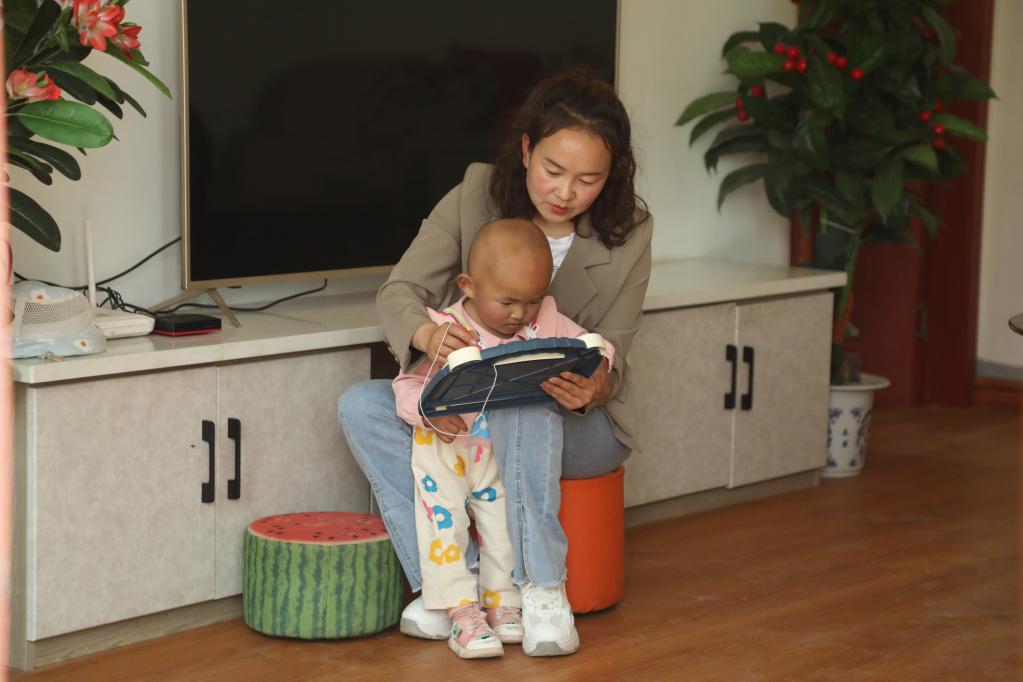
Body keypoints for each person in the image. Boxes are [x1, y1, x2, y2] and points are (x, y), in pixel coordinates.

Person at [338, 67, 652, 657]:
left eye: (588, 179)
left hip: (576, 424)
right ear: (526, 149)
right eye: (553, 170)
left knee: (521, 402)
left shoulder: (629, 231)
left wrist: (597, 383)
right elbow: (399, 291)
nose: (565, 193)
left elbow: (615, 346)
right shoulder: (475, 193)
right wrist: (429, 337)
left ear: (612, 175)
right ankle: (453, 588)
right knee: (362, 406)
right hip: (471, 417)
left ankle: (541, 588)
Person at [393, 219, 615, 659]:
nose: (520, 314)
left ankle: (503, 603)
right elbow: (406, 383)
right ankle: (460, 610)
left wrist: (600, 363)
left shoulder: (545, 318)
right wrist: (428, 412)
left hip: (497, 452)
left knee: (502, 527)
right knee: (442, 525)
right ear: (468, 286)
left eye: (532, 300)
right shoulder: (447, 329)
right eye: (508, 302)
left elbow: (595, 345)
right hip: (445, 450)